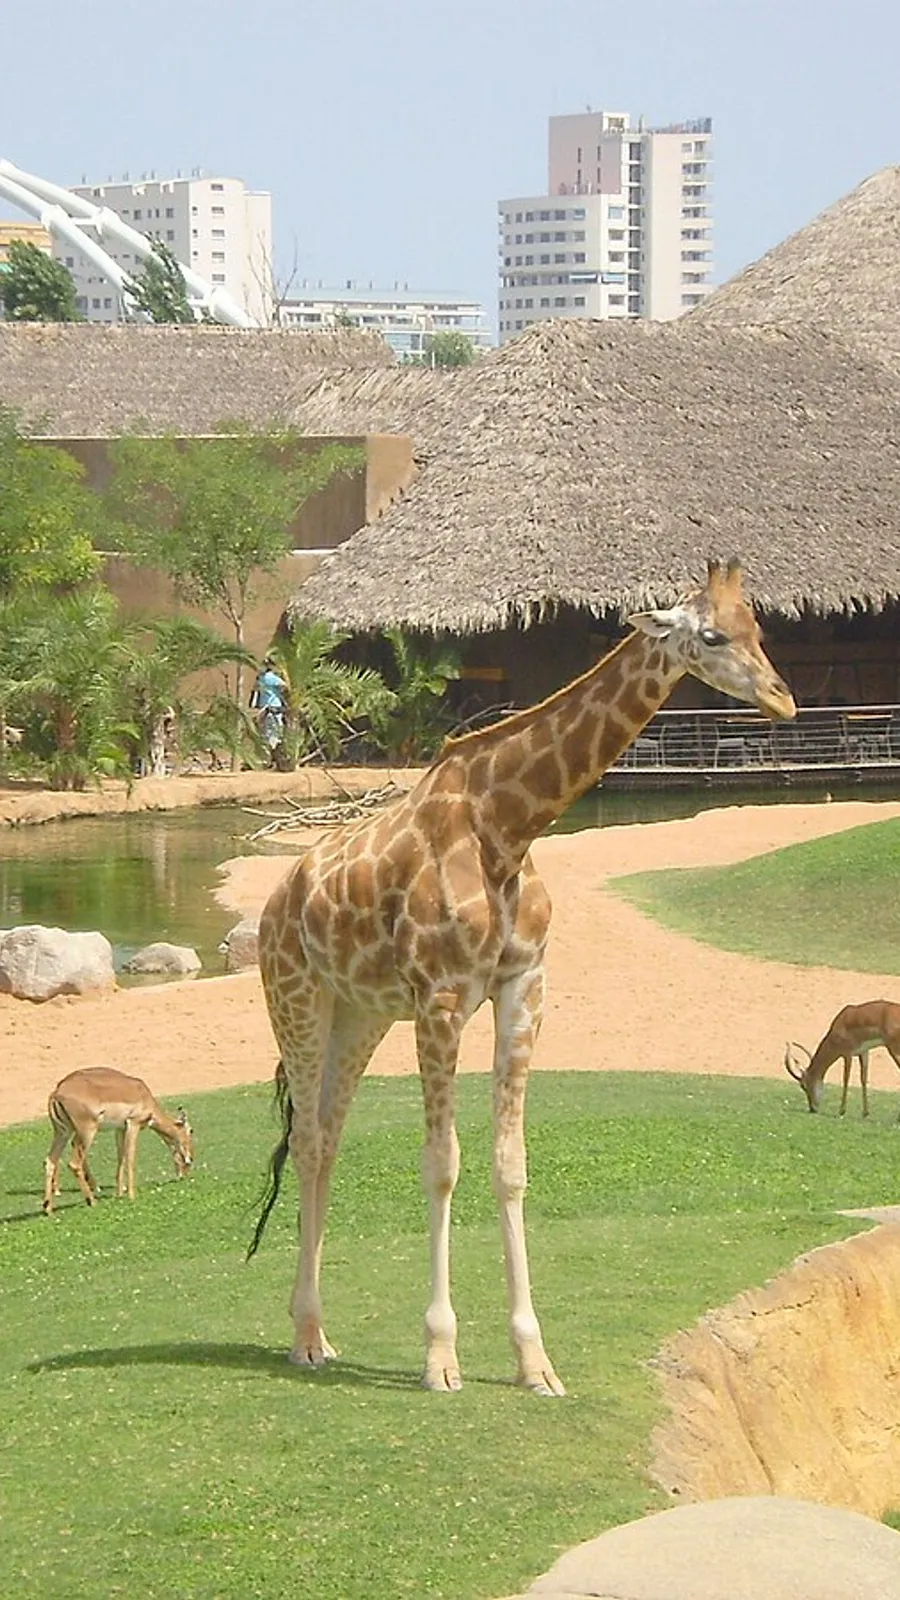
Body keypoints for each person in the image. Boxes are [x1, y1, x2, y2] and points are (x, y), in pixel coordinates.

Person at [249, 656, 288, 764]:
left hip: (264, 709)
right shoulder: (270, 677)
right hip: (272, 708)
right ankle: (271, 758)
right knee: (273, 733)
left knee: (266, 733)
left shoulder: (260, 679)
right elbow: (285, 686)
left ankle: (267, 758)